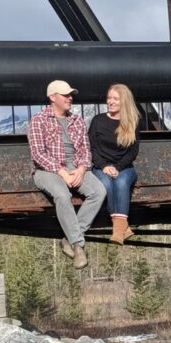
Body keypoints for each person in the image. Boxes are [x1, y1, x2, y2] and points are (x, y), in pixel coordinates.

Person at [28, 79, 106, 269]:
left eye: (70, 95)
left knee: (99, 191)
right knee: (63, 195)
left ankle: (69, 239)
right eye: (65, 95)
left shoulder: (76, 120)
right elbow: (38, 154)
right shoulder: (38, 120)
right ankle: (79, 246)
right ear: (52, 98)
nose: (70, 98)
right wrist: (62, 172)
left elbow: (85, 150)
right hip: (47, 169)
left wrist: (80, 169)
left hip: (75, 167)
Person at [89, 83, 144, 245]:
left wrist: (118, 167)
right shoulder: (98, 120)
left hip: (125, 168)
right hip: (101, 167)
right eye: (109, 98)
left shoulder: (133, 122)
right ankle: (122, 229)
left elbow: (133, 152)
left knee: (120, 182)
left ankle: (118, 232)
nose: (110, 102)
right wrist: (104, 166)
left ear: (124, 102)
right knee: (105, 184)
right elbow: (92, 148)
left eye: (115, 99)